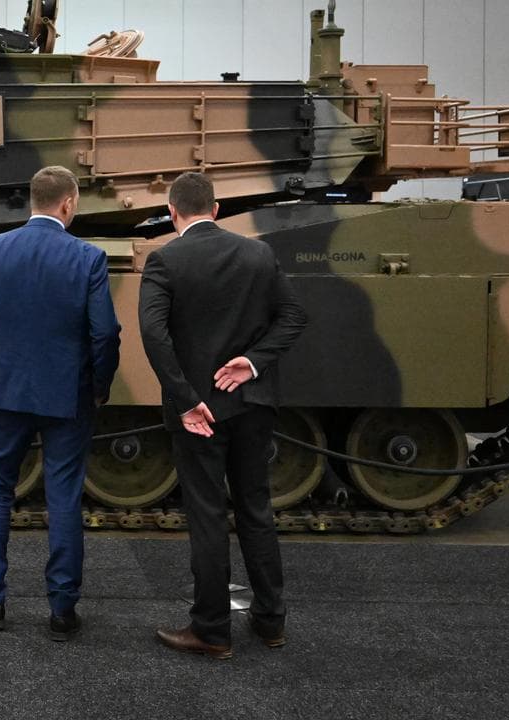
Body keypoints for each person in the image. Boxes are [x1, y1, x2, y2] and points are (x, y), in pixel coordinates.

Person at [138, 172, 307, 659]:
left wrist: (186, 397)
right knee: (256, 510)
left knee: (208, 515)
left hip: (198, 414)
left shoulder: (165, 260)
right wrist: (253, 362)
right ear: (215, 209)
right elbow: (294, 315)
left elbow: (154, 334)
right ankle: (271, 621)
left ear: (173, 213)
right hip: (251, 403)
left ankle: (211, 630)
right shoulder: (257, 254)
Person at [0, 165, 121, 641]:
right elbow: (104, 333)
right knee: (64, 495)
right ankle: (62, 611)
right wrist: (100, 384)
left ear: (32, 201)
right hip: (67, 394)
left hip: (5, 391)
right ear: (68, 203)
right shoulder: (88, 257)